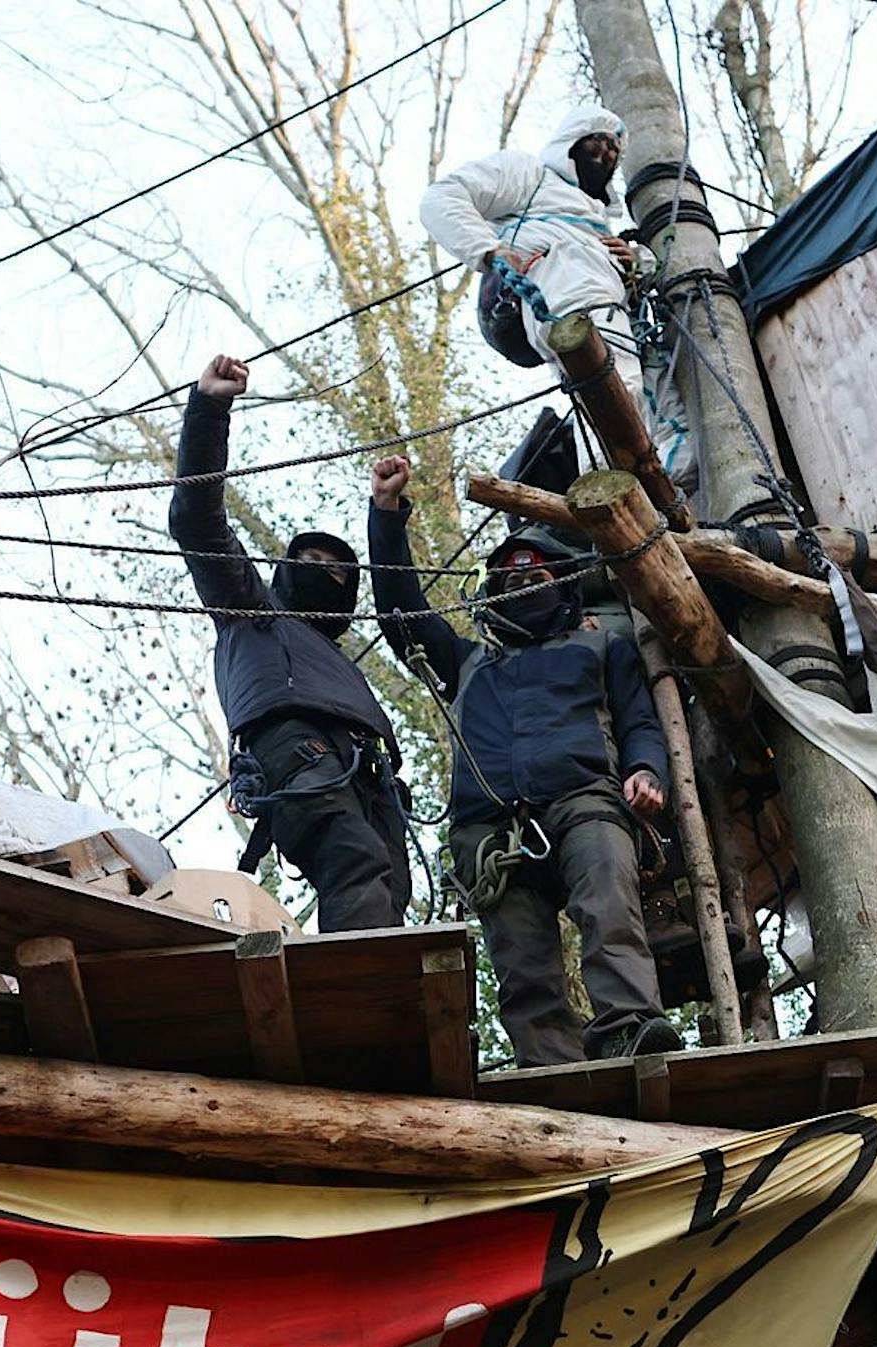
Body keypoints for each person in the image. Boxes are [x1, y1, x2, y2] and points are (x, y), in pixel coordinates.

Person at [366, 452, 682, 1066]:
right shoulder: (466, 662)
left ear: (562, 582)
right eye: (508, 574)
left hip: (584, 800)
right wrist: (387, 515)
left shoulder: (601, 646)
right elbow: (400, 612)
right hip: (489, 827)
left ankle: (628, 1026)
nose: (520, 577)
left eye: (535, 571)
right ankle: (550, 1065)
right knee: (520, 957)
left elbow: (640, 721)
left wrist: (647, 771)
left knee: (608, 903)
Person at [168, 354, 410, 933]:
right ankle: (363, 988)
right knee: (352, 855)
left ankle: (384, 993)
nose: (324, 569)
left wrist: (387, 514)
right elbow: (198, 521)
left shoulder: (333, 656)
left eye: (337, 567)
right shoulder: (249, 607)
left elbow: (406, 607)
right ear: (284, 570)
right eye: (310, 560)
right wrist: (210, 407)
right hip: (294, 744)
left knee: (388, 886)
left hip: (365, 765)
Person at [418, 105, 691, 484]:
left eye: (614, 149)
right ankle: (614, 491)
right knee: (612, 390)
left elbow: (637, 270)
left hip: (609, 305)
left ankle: (669, 493)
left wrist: (636, 261)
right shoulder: (528, 175)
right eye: (597, 141)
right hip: (567, 290)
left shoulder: (596, 219)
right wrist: (488, 250)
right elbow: (443, 197)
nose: (606, 153)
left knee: (654, 405)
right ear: (570, 143)